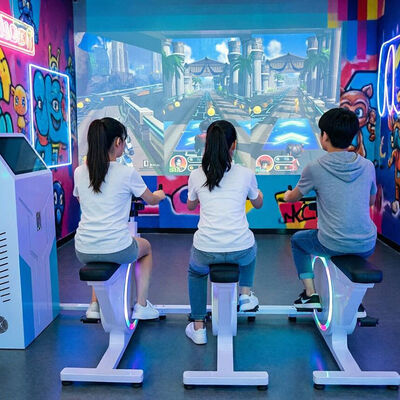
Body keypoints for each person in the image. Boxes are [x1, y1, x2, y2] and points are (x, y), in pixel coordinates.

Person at [284, 108, 377, 310]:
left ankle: (310, 295)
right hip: (366, 243)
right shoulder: (367, 166)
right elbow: (371, 201)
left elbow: (293, 198)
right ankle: (352, 300)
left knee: (298, 241)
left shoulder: (315, 167)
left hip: (332, 242)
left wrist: (286, 195)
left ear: (324, 136)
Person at [73, 117, 165, 320]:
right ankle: (142, 305)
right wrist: (160, 195)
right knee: (146, 248)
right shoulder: (127, 173)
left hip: (83, 248)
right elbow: (150, 199)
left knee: (99, 251)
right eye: (123, 140)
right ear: (117, 142)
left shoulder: (79, 172)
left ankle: (94, 306)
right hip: (117, 247)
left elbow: (83, 201)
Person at [185, 120, 264, 344]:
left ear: (208, 145)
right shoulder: (246, 173)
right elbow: (258, 203)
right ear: (233, 145)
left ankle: (198, 327)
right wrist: (258, 194)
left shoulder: (196, 174)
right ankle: (245, 295)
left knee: (196, 273)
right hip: (241, 251)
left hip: (206, 251)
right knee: (251, 246)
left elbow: (190, 205)